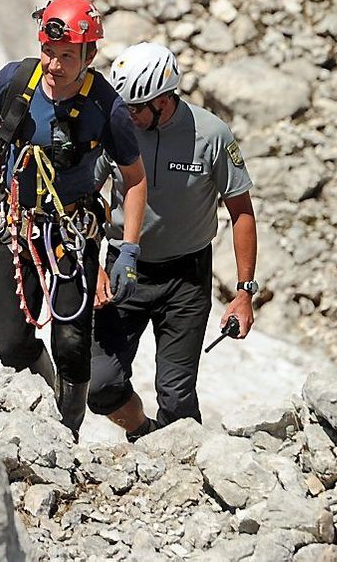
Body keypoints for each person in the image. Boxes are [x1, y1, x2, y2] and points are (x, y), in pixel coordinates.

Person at [0, 0, 147, 439]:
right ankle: (45, 400)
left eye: (65, 57)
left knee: (72, 343)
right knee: (10, 342)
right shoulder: (16, 80)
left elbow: (133, 179)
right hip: (16, 226)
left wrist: (129, 248)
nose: (54, 66)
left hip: (71, 235)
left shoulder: (107, 107)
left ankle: (66, 429)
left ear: (88, 56)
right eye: (48, 53)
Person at [89, 41, 259, 442]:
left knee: (178, 398)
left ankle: (183, 479)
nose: (127, 115)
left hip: (186, 279)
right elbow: (84, 198)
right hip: (122, 270)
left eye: (136, 108)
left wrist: (244, 292)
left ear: (163, 100)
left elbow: (242, 213)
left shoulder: (212, 134)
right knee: (100, 385)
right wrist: (91, 265)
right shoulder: (114, 128)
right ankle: (144, 433)